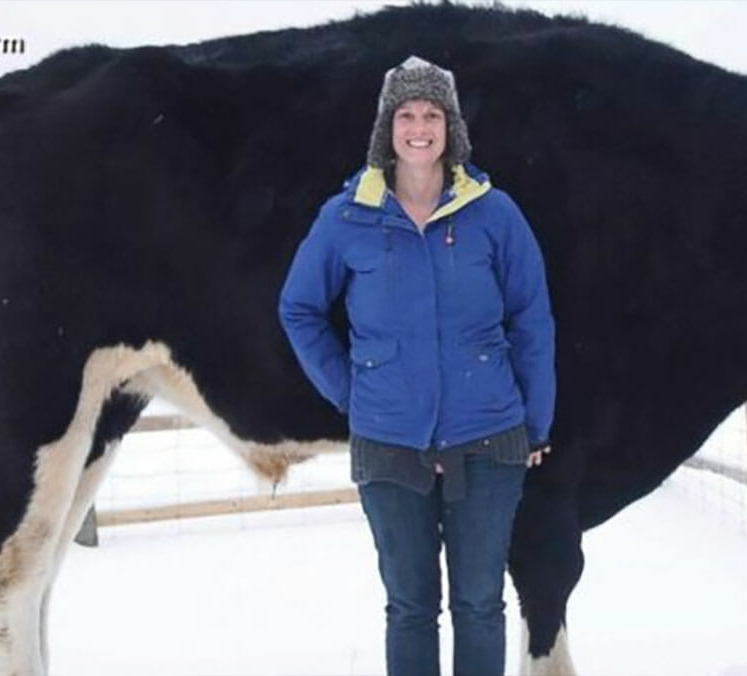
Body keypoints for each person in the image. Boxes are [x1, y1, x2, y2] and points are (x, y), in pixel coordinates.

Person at [278, 55, 556, 676]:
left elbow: (532, 318)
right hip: (388, 443)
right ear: (388, 128)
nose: (419, 126)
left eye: (433, 113)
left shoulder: (495, 213)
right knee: (409, 606)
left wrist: (536, 422)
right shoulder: (349, 215)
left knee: (480, 604)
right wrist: (352, 392)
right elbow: (298, 307)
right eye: (406, 114)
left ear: (451, 127)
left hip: (488, 440)